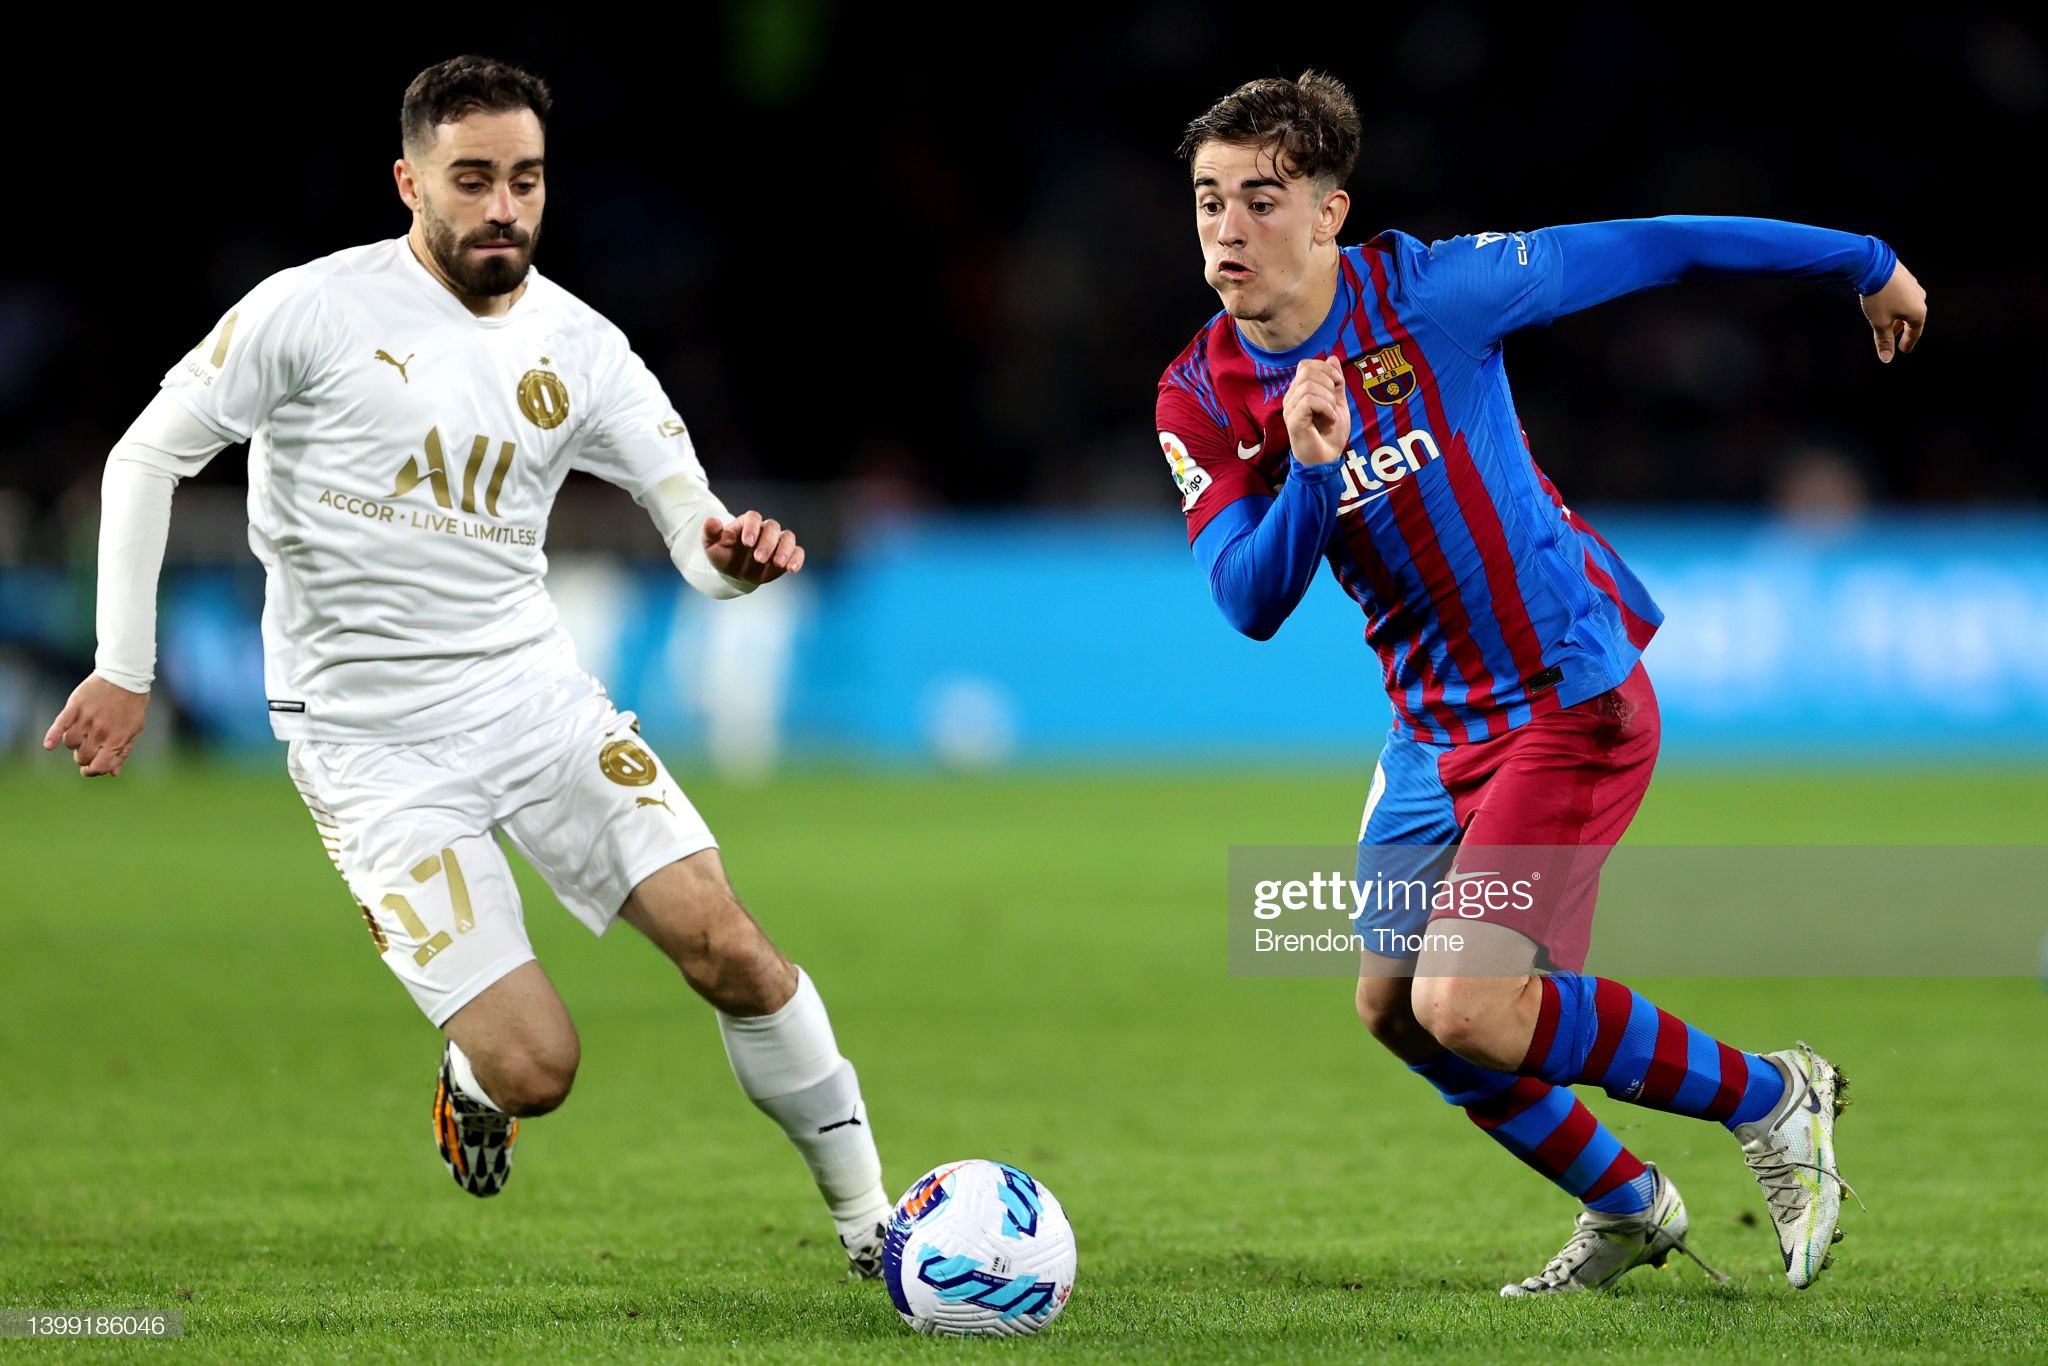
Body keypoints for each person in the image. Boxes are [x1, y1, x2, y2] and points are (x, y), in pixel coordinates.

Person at [43, 55, 894, 1277]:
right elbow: (145, 458)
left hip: (533, 701)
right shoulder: (310, 311)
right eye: (474, 179)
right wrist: (125, 663)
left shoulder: (584, 349)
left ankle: (872, 1227)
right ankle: (476, 1078)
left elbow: (694, 533)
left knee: (733, 950)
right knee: (539, 1066)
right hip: (369, 748)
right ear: (409, 182)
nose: (504, 207)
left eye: (527, 181)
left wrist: (730, 562)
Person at [1157, 71, 1925, 1295]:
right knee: (1391, 1006)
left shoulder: (1438, 293)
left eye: (1260, 199)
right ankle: (1625, 1203)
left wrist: (1862, 259)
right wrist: (1309, 470)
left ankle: (1770, 1095)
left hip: (1565, 696)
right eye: (1208, 201)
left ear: (1327, 213)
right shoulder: (1199, 392)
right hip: (1430, 729)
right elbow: (1247, 602)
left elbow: (1660, 245)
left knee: (1467, 1006)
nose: (1227, 229)